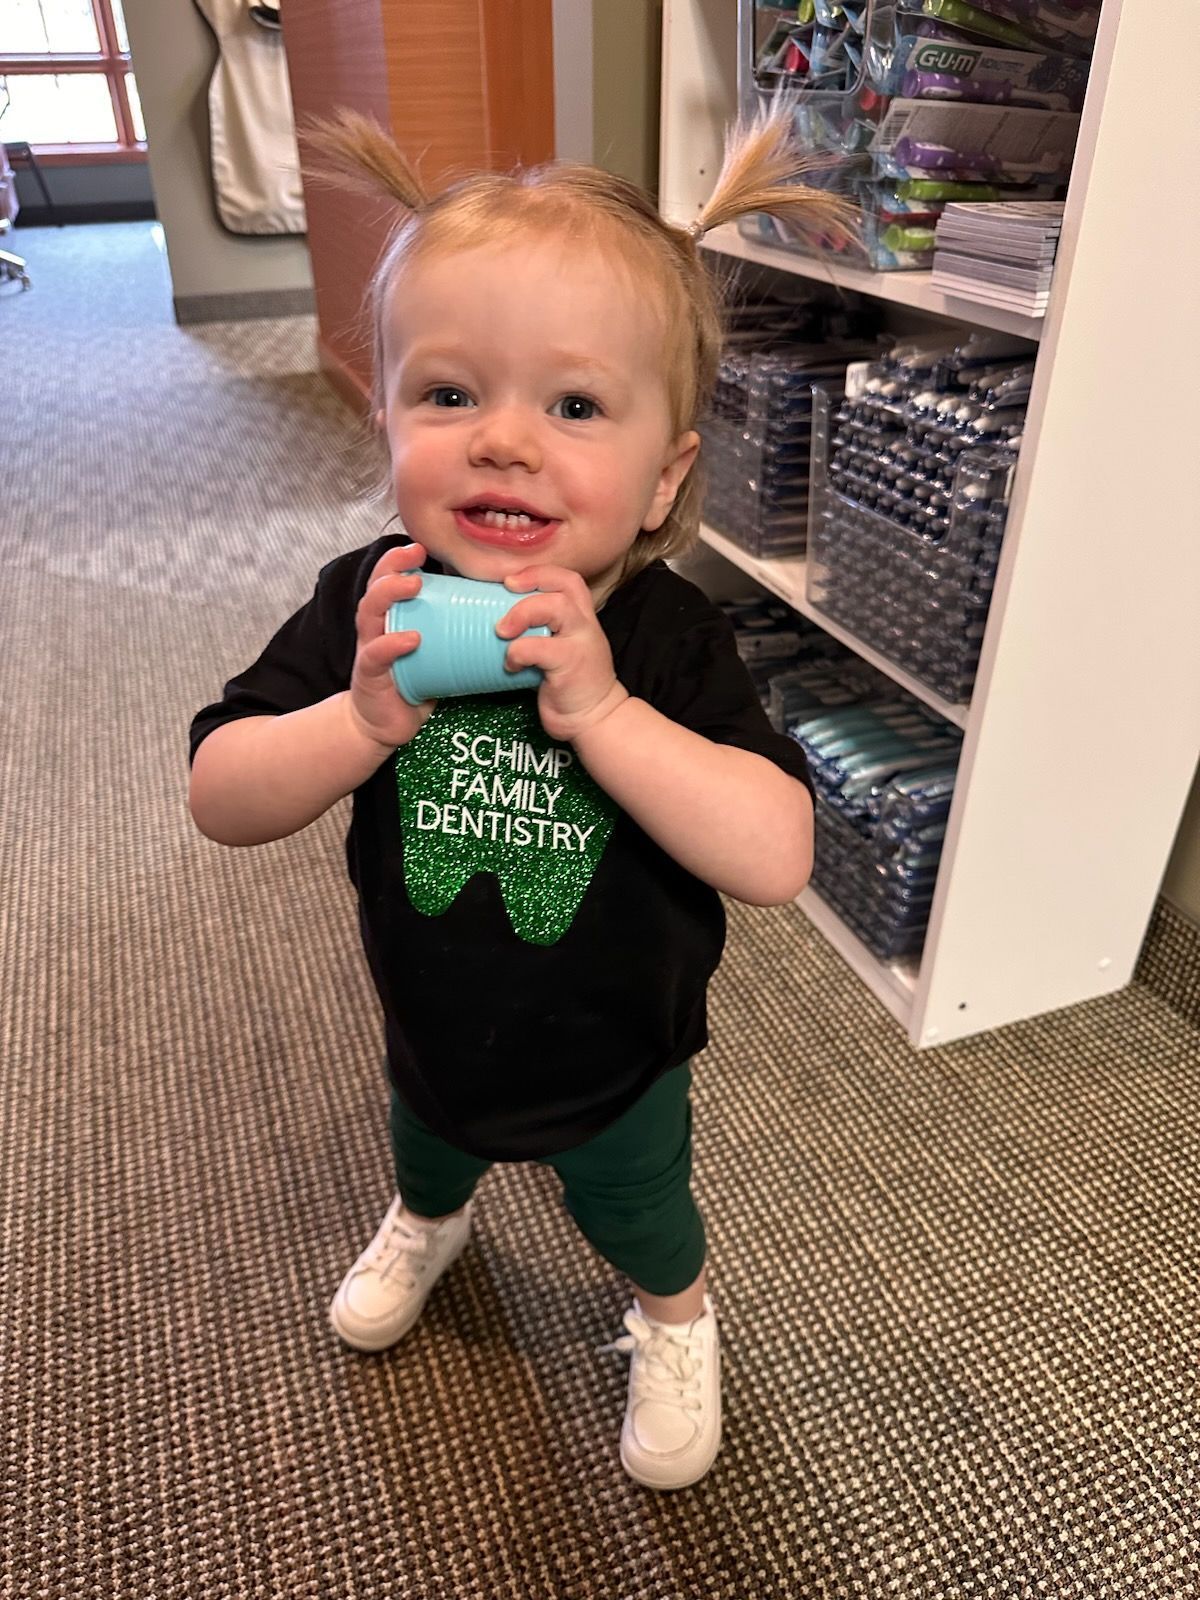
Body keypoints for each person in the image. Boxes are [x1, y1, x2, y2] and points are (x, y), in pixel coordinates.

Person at [188, 105, 850, 1491]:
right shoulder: (369, 607)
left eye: (574, 406)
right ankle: (431, 1221)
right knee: (427, 1149)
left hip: (617, 1053)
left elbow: (777, 852)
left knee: (642, 1215)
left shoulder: (666, 641)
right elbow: (221, 796)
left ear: (664, 474)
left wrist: (607, 713)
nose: (502, 443)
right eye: (448, 394)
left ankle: (678, 1322)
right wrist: (357, 718)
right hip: (432, 1015)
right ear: (383, 414)